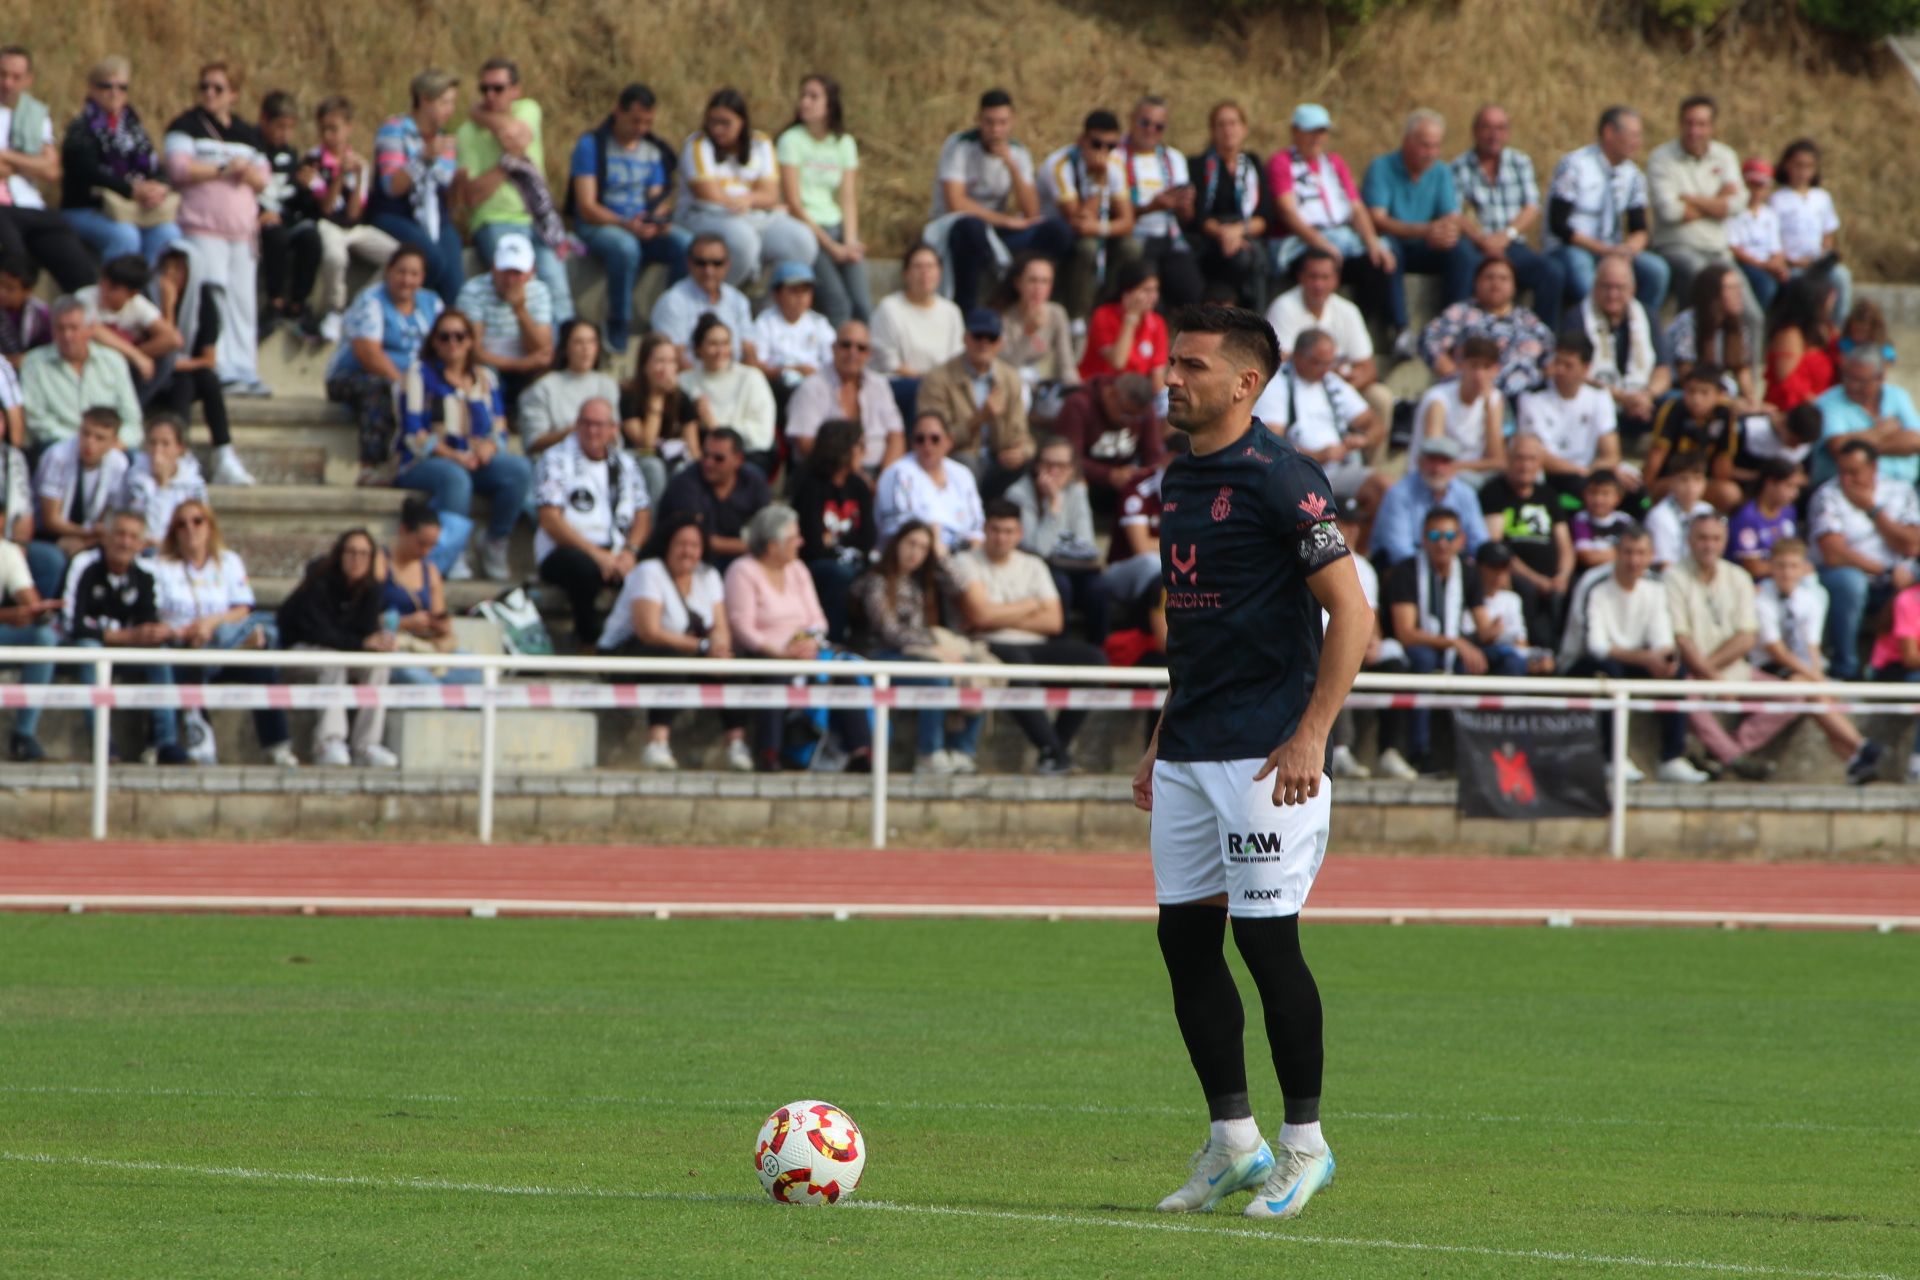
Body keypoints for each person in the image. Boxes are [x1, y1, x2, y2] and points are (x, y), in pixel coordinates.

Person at [1131, 303, 1369, 1222]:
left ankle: (1305, 1148)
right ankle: (1235, 1142)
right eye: (1170, 362)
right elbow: (1192, 624)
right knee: (1183, 941)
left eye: (1190, 364)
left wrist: (1311, 732)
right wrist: (1162, 731)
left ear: (1245, 383)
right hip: (1193, 745)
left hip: (1271, 755)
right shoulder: (1177, 480)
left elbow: (1351, 614)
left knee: (1268, 944)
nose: (1172, 377)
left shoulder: (1285, 481)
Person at [949, 499, 1107, 772]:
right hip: (987, 645)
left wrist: (998, 613)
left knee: (1094, 660)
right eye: (996, 530)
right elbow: (980, 617)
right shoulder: (965, 561)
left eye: (1008, 531)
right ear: (985, 529)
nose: (1001, 537)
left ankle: (1055, 750)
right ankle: (1054, 752)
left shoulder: (1033, 564)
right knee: (1017, 661)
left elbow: (1055, 622)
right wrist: (1032, 605)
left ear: (1019, 533)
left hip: (1034, 644)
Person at [598, 510, 751, 773]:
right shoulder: (649, 571)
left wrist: (719, 649)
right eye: (681, 544)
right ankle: (657, 742)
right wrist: (703, 647)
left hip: (688, 652)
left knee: (735, 665)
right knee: (671, 658)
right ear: (667, 544)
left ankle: (735, 744)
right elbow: (649, 631)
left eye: (694, 545)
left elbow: (720, 626)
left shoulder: (709, 575)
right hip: (626, 654)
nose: (688, 551)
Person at [724, 502, 872, 771]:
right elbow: (742, 627)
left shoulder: (797, 569)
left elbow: (818, 619)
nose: (801, 542)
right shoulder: (742, 571)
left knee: (845, 672)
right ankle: (770, 753)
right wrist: (780, 653)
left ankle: (861, 753)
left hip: (805, 652)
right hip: (763, 655)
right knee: (777, 675)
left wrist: (809, 641)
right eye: (794, 538)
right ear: (772, 545)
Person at [153, 497, 298, 766]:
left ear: (210, 525)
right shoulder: (162, 566)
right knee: (187, 661)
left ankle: (277, 745)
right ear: (174, 532)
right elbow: (157, 612)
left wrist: (211, 623)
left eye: (198, 521)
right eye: (181, 524)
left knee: (261, 665)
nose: (191, 529)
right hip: (183, 643)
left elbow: (242, 608)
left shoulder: (228, 562)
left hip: (221, 641)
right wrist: (188, 631)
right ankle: (200, 740)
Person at [394, 308, 533, 580]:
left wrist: (489, 448)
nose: (452, 343)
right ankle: (452, 552)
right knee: (456, 478)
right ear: (434, 342)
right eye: (444, 337)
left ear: (470, 341)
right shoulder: (418, 374)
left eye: (460, 336)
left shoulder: (485, 378)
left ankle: (494, 541)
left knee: (519, 469)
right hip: (423, 461)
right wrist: (455, 456)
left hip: (474, 460)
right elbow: (414, 433)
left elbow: (500, 428)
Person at [1386, 507, 1528, 770]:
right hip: (1421, 648)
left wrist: (1496, 632)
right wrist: (1457, 643)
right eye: (1435, 534)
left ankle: (1504, 747)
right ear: (1423, 537)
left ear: (1461, 540)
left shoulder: (1468, 571)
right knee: (1424, 660)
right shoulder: (1405, 571)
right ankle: (1420, 751)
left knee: (1509, 658)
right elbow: (1406, 633)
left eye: (1449, 535)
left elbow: (1482, 627)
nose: (1442, 542)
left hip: (1456, 647)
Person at [163, 61, 271, 397]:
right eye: (204, 87)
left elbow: (262, 177)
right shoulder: (186, 125)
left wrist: (246, 172)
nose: (210, 93)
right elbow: (179, 167)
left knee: (241, 301)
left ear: (233, 95)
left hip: (241, 233)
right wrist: (224, 168)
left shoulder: (247, 133)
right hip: (202, 227)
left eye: (218, 88)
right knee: (212, 296)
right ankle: (218, 363)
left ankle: (244, 366)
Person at [850, 519, 985, 773]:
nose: (915, 552)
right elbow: (890, 633)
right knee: (935, 678)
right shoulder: (876, 581)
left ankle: (961, 750)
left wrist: (940, 554)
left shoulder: (923, 582)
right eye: (911, 544)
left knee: (976, 670)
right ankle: (928, 753)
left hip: (917, 655)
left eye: (923, 548)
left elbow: (960, 586)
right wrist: (933, 646)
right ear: (896, 543)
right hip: (881, 657)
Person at [1566, 525, 1694, 783]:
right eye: (1627, 552)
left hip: (1631, 659)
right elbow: (1596, 646)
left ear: (1650, 555)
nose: (1634, 560)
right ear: (1616, 553)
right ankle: (1612, 759)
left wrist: (1665, 658)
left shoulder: (1656, 587)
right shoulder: (1595, 584)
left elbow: (1661, 637)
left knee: (1676, 672)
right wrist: (1647, 658)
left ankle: (1671, 757)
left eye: (1641, 553)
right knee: (1609, 672)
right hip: (1582, 663)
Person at [925, 88, 1072, 311]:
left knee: (1057, 231)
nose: (996, 130)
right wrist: (1004, 220)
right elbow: (956, 203)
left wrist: (1012, 167)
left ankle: (1021, 298)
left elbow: (1032, 211)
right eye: (989, 122)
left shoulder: (1018, 152)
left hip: (996, 233)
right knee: (971, 228)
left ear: (1012, 121)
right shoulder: (959, 146)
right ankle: (966, 309)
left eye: (1002, 123)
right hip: (959, 227)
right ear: (978, 120)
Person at [569, 82, 689, 352]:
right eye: (635, 120)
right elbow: (587, 206)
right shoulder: (592, 145)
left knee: (686, 245)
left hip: (638, 226)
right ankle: (618, 321)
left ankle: (671, 318)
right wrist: (625, 225)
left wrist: (658, 223)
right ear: (617, 112)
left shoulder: (653, 150)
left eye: (648, 122)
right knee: (625, 248)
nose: (641, 128)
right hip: (600, 224)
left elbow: (657, 200)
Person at [1752, 537, 1881, 784]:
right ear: (1771, 567)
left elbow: (1812, 646)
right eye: (1781, 566)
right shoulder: (1761, 599)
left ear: (1803, 568)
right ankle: (1859, 747)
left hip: (1798, 667)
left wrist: (1817, 676)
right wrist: (1815, 679)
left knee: (1818, 698)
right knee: (1813, 692)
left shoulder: (1811, 598)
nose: (1787, 573)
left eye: (1793, 566)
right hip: (1769, 666)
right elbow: (1777, 652)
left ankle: (1855, 759)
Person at [454, 57, 572, 324]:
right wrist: (507, 164)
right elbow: (472, 196)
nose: (490, 95)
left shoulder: (528, 109)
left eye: (498, 88)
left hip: (538, 219)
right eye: (484, 90)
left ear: (515, 90)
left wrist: (481, 114)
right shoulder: (466, 133)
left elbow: (517, 137)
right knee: (523, 289)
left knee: (558, 290)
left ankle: (564, 355)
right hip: (495, 220)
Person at [62, 507, 182, 763]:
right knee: (90, 652)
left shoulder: (146, 575)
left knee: (160, 654)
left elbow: (148, 619)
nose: (125, 542)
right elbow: (71, 623)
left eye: (132, 536)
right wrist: (121, 637)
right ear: (105, 536)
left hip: (127, 651)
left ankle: (166, 743)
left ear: (141, 544)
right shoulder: (84, 564)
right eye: (119, 534)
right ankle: (103, 744)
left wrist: (154, 632)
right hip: (84, 647)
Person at [1665, 512, 1779, 781]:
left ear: (1724, 541)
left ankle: (1725, 751)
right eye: (1702, 538)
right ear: (1690, 541)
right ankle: (1735, 758)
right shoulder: (1674, 576)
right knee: (1684, 692)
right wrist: (1711, 677)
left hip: (1730, 669)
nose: (1709, 545)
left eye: (1716, 538)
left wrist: (1714, 674)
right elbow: (1681, 638)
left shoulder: (1738, 576)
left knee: (1793, 697)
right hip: (1693, 671)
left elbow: (1747, 636)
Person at [276, 528, 398, 767]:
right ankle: (328, 741)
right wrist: (362, 643)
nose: (357, 559)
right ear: (340, 554)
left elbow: (364, 631)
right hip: (300, 650)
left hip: (341, 650)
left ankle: (367, 745)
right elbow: (319, 632)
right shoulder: (319, 581)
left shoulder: (372, 589)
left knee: (377, 666)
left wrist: (378, 641)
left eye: (364, 554)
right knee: (332, 660)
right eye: (351, 552)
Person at [535, 396, 651, 647]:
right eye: (586, 423)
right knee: (584, 569)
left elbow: (642, 513)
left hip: (617, 549)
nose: (592, 431)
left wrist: (630, 552)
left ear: (613, 429)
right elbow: (550, 520)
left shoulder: (626, 464)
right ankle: (587, 641)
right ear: (577, 425)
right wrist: (596, 554)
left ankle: (632, 646)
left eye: (599, 424)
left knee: (651, 570)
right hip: (564, 550)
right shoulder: (555, 459)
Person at [675, 87, 816, 292]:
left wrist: (749, 201)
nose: (717, 129)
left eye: (725, 123)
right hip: (705, 215)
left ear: (742, 122)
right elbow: (709, 194)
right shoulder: (697, 144)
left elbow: (770, 195)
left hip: (752, 216)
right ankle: (715, 299)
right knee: (743, 241)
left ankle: (769, 307)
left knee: (801, 240)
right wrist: (752, 199)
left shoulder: (760, 143)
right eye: (713, 121)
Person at [323, 245, 442, 477]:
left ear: (423, 277)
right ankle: (372, 467)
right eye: (401, 272)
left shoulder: (432, 303)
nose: (407, 280)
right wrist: (404, 385)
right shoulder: (371, 300)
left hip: (414, 380)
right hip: (352, 376)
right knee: (381, 388)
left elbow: (444, 346)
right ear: (389, 271)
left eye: (414, 274)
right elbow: (368, 352)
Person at [1361, 109, 1477, 337]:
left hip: (1425, 244)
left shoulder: (1441, 171)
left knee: (1463, 252)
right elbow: (1378, 219)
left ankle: (1454, 324)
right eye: (1425, 145)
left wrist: (1447, 233)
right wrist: (1426, 230)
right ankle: (1400, 328)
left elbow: (1450, 215)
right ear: (1407, 141)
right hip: (1394, 240)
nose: (1430, 153)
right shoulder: (1381, 167)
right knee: (1387, 250)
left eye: (1436, 146)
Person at [58, 56, 181, 270]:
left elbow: (154, 167)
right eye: (106, 86)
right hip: (88, 207)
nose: (114, 92)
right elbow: (87, 172)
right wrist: (130, 190)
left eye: (121, 87)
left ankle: (148, 296)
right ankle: (116, 293)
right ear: (91, 89)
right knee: (124, 236)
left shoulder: (134, 129)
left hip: (133, 208)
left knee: (168, 233)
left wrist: (158, 187)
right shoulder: (82, 127)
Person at [1811, 440, 1920, 682]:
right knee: (1851, 583)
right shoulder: (1828, 494)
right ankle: (1846, 669)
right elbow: (1834, 553)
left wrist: (1873, 510)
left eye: (1854, 472)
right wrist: (1887, 569)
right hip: (1849, 576)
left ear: (1873, 468)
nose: (1847, 480)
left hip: (1900, 578)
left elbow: (1913, 544)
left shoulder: (1901, 491)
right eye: (1842, 472)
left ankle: (1898, 664)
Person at [1547, 105, 1669, 317]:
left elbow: (1639, 228)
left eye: (1639, 136)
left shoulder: (1633, 175)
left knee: (1656, 271)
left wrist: (1627, 251)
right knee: (1584, 275)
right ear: (1609, 132)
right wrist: (1604, 250)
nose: (1637, 142)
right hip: (1575, 248)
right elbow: (1558, 225)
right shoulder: (1575, 165)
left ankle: (1638, 327)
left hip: (1614, 250)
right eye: (1632, 135)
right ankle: (1597, 329)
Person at [1451, 103, 1565, 327]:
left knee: (1552, 272)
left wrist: (1506, 235)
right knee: (1462, 265)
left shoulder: (1520, 162)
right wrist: (1483, 241)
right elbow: (1454, 213)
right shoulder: (1457, 167)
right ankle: (1460, 333)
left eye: (1500, 128)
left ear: (1508, 133)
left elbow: (1532, 207)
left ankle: (1541, 338)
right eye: (1487, 128)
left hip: (1512, 244)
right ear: (1475, 131)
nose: (1494, 135)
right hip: (1475, 246)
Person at [300, 96, 400, 344]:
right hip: (327, 224)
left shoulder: (360, 164)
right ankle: (335, 309)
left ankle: (358, 305)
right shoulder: (313, 160)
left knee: (397, 256)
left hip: (353, 228)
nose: (328, 135)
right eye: (323, 129)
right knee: (336, 257)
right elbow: (327, 208)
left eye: (334, 128)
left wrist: (354, 178)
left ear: (348, 128)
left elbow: (355, 213)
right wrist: (338, 176)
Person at [0, 47, 96, 293]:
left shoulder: (35, 114)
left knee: (78, 267)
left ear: (28, 80)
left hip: (30, 204)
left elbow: (52, 170)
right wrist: (30, 163)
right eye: (2, 74)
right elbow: (41, 165)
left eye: (16, 77)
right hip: (2, 209)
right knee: (15, 263)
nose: (7, 83)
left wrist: (7, 156)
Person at [777, 74, 869, 327]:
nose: (805, 102)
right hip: (807, 231)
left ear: (830, 104)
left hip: (838, 227)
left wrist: (849, 241)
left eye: (813, 96)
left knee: (862, 304)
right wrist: (831, 246)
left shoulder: (844, 142)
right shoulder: (791, 140)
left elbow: (848, 197)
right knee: (838, 302)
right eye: (803, 95)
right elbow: (794, 203)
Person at [1250, 328, 1381, 504]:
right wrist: (1319, 455)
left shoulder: (1331, 381)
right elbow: (1269, 444)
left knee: (1384, 488)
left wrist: (1363, 440)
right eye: (1318, 363)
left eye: (1330, 363)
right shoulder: (1276, 384)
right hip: (1297, 473)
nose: (1326, 369)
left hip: (1340, 469)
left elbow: (1375, 423)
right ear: (1297, 356)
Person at [1267, 103, 1389, 289]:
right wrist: (1320, 243)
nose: (1317, 138)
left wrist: (1372, 242)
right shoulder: (1281, 163)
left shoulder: (1335, 163)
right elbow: (1287, 211)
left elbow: (1356, 207)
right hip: (1300, 242)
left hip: (1339, 237)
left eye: (1322, 132)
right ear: (1295, 131)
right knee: (1319, 264)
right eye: (1311, 131)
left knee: (1378, 260)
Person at [1265, 248, 1391, 428]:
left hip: (1340, 388)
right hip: (1297, 387)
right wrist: (1331, 373)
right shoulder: (1283, 307)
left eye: (1325, 277)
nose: (1319, 284)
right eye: (1313, 276)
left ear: (1336, 280)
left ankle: (1371, 456)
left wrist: (1343, 387)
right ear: (1301, 277)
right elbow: (1280, 363)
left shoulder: (1348, 311)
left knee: (1381, 398)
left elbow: (1369, 369)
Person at [368, 69, 463, 304]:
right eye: (444, 102)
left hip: (436, 216)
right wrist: (422, 159)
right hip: (396, 212)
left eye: (452, 103)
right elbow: (392, 186)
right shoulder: (394, 129)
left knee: (455, 282)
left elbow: (445, 190)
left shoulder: (445, 140)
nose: (449, 110)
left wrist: (461, 182)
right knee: (432, 261)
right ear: (424, 100)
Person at [914, 308, 1033, 492]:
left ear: (1000, 343)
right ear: (965, 338)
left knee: (1033, 465)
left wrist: (1021, 453)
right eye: (978, 336)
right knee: (967, 464)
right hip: (958, 458)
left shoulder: (1010, 378)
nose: (984, 344)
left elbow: (1023, 436)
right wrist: (980, 417)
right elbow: (934, 439)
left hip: (998, 459)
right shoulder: (938, 379)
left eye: (991, 338)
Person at [1647, 95, 1747, 311]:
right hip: (1677, 247)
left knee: (1749, 313)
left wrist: (1691, 199)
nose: (1694, 131)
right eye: (1689, 123)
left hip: (1719, 250)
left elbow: (1738, 203)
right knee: (1701, 283)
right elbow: (1670, 212)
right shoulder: (1661, 158)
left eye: (1701, 124)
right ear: (1680, 124)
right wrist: (1718, 203)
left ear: (1712, 127)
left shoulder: (1725, 156)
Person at [1004, 434, 1106, 641]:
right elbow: (1037, 549)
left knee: (1099, 587)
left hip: (1074, 565)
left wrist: (1058, 542)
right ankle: (1060, 649)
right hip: (1034, 567)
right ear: (1036, 465)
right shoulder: (1018, 494)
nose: (1053, 471)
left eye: (1061, 465)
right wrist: (1054, 507)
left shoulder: (1077, 490)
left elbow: (1085, 542)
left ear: (1072, 468)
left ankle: (1100, 651)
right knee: (1061, 585)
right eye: (1047, 464)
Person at [1040, 109, 1139, 319]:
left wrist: (1099, 227)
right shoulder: (1059, 165)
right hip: (1058, 237)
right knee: (1088, 248)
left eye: (1111, 146)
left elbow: (1127, 221)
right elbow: (1077, 222)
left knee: (1131, 247)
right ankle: (1078, 318)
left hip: (1096, 231)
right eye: (1097, 144)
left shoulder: (1115, 163)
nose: (1103, 152)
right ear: (1081, 140)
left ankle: (1110, 311)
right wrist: (1097, 182)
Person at [1479, 434, 1574, 647]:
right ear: (1509, 459)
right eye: (1520, 458)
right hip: (1516, 574)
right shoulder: (1494, 492)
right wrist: (1536, 579)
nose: (1526, 465)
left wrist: (1564, 575)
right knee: (1526, 590)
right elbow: (1497, 546)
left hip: (1551, 577)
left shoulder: (1548, 495)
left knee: (1572, 589)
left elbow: (1565, 544)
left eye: (1532, 459)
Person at [1417, 255, 1553, 403]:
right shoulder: (1461, 313)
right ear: (1476, 282)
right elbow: (1429, 338)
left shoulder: (1529, 322)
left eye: (1503, 279)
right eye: (1489, 277)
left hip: (1521, 402)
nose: (1496, 283)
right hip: (1470, 398)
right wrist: (1444, 364)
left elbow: (1551, 359)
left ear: (1514, 285)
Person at [376, 499, 479, 686]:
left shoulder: (430, 571)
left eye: (432, 546)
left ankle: (443, 695)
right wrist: (405, 622)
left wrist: (440, 626)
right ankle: (444, 697)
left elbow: (439, 616)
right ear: (404, 531)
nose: (426, 551)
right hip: (393, 644)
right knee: (414, 676)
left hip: (425, 646)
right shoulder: (379, 563)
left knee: (475, 671)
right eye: (421, 544)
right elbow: (364, 615)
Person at [790, 418, 875, 643]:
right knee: (839, 575)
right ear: (842, 449)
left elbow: (868, 538)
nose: (864, 453)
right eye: (860, 447)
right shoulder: (810, 484)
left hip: (852, 559)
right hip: (815, 564)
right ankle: (834, 642)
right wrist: (844, 542)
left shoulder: (859, 487)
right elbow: (813, 543)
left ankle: (868, 642)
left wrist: (835, 540)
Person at [21, 296, 141, 450]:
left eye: (74, 328)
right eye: (60, 328)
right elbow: (36, 420)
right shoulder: (34, 363)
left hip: (110, 446)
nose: (67, 336)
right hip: (59, 445)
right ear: (52, 330)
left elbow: (132, 419)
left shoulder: (113, 361)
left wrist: (112, 444)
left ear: (90, 329)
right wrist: (82, 444)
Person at [1117, 95, 1203, 310]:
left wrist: (1185, 205)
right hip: (1135, 238)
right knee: (1149, 291)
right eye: (1145, 123)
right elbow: (1112, 212)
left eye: (1159, 127)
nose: (1150, 131)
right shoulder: (1116, 156)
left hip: (1170, 236)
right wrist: (1151, 207)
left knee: (1192, 290)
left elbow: (1188, 217)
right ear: (1131, 120)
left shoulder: (1174, 158)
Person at [785, 320, 903, 474]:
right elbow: (804, 443)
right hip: (825, 473)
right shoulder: (811, 387)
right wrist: (850, 473)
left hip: (877, 471)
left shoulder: (880, 385)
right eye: (846, 345)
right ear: (833, 348)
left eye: (861, 348)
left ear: (869, 354)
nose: (853, 352)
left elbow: (896, 436)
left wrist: (884, 480)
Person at [1188, 101, 1275, 309]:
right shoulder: (1199, 165)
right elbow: (1198, 217)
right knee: (1239, 257)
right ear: (1213, 130)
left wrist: (1238, 231)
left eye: (1233, 123)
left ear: (1244, 128)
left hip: (1245, 233)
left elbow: (1265, 216)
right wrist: (1224, 234)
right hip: (1211, 239)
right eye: (1221, 124)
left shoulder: (1253, 164)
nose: (1228, 130)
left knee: (1250, 257)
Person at [455, 232, 553, 409]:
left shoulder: (539, 291)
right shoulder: (473, 290)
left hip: (525, 363)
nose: (511, 280)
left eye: (517, 272)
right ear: (494, 268)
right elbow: (472, 350)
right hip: (490, 364)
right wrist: (518, 365)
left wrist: (520, 310)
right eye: (505, 271)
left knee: (546, 374)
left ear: (531, 271)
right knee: (484, 373)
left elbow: (543, 349)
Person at [869, 243, 965, 420]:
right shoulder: (889, 309)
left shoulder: (951, 312)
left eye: (930, 266)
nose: (925, 272)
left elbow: (957, 359)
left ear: (940, 273)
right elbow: (890, 364)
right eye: (918, 267)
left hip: (941, 387)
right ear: (905, 274)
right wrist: (930, 383)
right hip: (900, 386)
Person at [1580, 253, 1670, 439]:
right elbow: (1578, 375)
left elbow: (1663, 371)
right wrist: (1622, 398)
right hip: (1601, 400)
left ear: (1632, 290)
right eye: (1606, 287)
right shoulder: (1579, 318)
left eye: (1620, 288)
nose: (1613, 295)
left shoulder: (1647, 315)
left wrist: (1645, 396)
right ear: (1595, 287)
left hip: (1642, 398)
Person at [654, 426, 772, 568]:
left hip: (741, 563)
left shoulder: (753, 482)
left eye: (718, 458)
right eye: (705, 455)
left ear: (738, 459)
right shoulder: (685, 483)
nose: (709, 463)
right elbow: (692, 540)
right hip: (693, 563)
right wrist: (752, 547)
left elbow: (768, 528)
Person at [255, 90, 320, 341]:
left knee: (310, 238)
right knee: (276, 237)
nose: (285, 134)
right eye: (279, 126)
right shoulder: (252, 149)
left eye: (290, 128)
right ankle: (275, 303)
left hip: (286, 216)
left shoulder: (292, 156)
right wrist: (260, 213)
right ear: (264, 121)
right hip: (262, 220)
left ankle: (298, 305)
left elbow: (295, 199)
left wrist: (306, 188)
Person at [75, 253, 181, 405]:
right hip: (91, 364)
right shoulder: (85, 297)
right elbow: (93, 330)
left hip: (124, 367)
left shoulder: (138, 305)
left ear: (132, 293)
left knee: (167, 358)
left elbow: (172, 339)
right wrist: (135, 355)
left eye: (113, 288)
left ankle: (135, 406)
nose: (104, 290)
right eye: (103, 283)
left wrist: (168, 305)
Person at [681, 313, 777, 476]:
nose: (720, 351)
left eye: (725, 343)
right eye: (712, 344)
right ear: (698, 348)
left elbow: (762, 434)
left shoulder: (751, 378)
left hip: (748, 454)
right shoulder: (685, 381)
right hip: (700, 453)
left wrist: (716, 427)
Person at [1810, 348, 1920, 490]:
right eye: (1848, 377)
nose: (1853, 386)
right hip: (1846, 490)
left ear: (1880, 377)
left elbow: (1915, 440)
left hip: (1905, 487)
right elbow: (1838, 447)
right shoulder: (1829, 401)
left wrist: (1857, 448)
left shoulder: (1897, 395)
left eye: (1861, 381)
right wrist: (1881, 431)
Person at [875, 410, 984, 552]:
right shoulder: (898, 473)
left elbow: (976, 528)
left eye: (935, 438)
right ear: (912, 443)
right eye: (920, 439)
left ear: (948, 441)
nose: (927, 445)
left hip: (961, 555)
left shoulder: (962, 474)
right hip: (915, 556)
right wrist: (935, 540)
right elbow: (899, 529)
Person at [1372, 435, 1487, 566]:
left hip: (1452, 566)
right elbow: (1398, 549)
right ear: (1420, 462)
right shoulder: (1399, 493)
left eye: (1444, 461)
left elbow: (1480, 542)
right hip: (1406, 569)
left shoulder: (1466, 494)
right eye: (1432, 460)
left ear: (1455, 466)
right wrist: (1435, 570)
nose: (1437, 468)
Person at [33, 406, 129, 564]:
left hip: (88, 535)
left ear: (113, 442)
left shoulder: (119, 464)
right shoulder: (58, 457)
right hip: (46, 534)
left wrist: (88, 539)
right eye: (86, 433)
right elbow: (50, 520)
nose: (90, 442)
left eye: (99, 438)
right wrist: (87, 533)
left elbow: (109, 513)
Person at [1052, 371, 1165, 502]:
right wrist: (1109, 475)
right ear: (1111, 394)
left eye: (1137, 418)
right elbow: (1067, 459)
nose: (1130, 422)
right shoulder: (1079, 404)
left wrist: (1143, 475)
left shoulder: (1143, 412)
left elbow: (1153, 456)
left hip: (1124, 490)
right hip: (1082, 487)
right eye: (1126, 414)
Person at [619, 332, 705, 501]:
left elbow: (694, 449)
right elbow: (646, 446)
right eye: (659, 361)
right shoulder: (629, 395)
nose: (666, 368)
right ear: (645, 365)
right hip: (636, 459)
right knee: (654, 467)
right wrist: (657, 398)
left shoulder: (682, 398)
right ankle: (655, 525)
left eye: (671, 361)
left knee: (684, 469)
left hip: (670, 458)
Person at [1770, 138, 1849, 322]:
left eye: (1808, 166)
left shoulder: (1821, 197)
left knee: (1841, 277)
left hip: (1818, 263)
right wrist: (1791, 260)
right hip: (1791, 265)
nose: (1803, 172)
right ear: (1786, 166)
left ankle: (1836, 331)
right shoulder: (1778, 199)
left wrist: (1822, 256)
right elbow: (1773, 236)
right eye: (1798, 165)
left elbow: (1828, 234)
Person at [648, 233, 755, 367]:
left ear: (727, 264)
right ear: (689, 263)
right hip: (690, 383)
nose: (708, 270)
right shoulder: (672, 302)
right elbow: (673, 358)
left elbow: (749, 352)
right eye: (701, 263)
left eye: (717, 263)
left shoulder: (739, 301)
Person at [519, 318, 621, 458]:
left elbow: (615, 437)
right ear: (565, 347)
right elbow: (532, 442)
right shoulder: (544, 387)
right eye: (579, 342)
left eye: (591, 341)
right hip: (557, 461)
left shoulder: (607, 385)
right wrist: (577, 432)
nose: (586, 348)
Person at [1644, 365, 1740, 510]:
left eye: (1704, 392)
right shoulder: (1673, 409)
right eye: (1691, 391)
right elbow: (1657, 455)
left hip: (1702, 481)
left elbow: (1723, 465)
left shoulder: (1725, 414)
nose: (1696, 399)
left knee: (1730, 493)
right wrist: (1646, 493)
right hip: (1671, 479)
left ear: (1718, 394)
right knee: (1685, 486)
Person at [1414, 333, 1505, 485]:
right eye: (1474, 365)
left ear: (1496, 370)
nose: (1479, 375)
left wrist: (1488, 407)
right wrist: (1459, 467)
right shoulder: (1438, 399)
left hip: (1472, 473)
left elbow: (1498, 460)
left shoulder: (1494, 399)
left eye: (1486, 367)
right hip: (1435, 477)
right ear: (1461, 365)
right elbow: (1434, 457)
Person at [1667, 263, 1760, 410]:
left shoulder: (1737, 325)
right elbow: (1686, 373)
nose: (1739, 293)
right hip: (1687, 393)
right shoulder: (1689, 323)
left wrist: (1752, 402)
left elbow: (1742, 369)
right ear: (1713, 293)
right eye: (1731, 288)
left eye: (1738, 287)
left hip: (1718, 392)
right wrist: (1725, 401)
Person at [0, 526, 56, 761]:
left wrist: (37, 611)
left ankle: (24, 735)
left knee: (44, 637)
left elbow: (29, 599)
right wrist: (8, 616)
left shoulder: (7, 551)